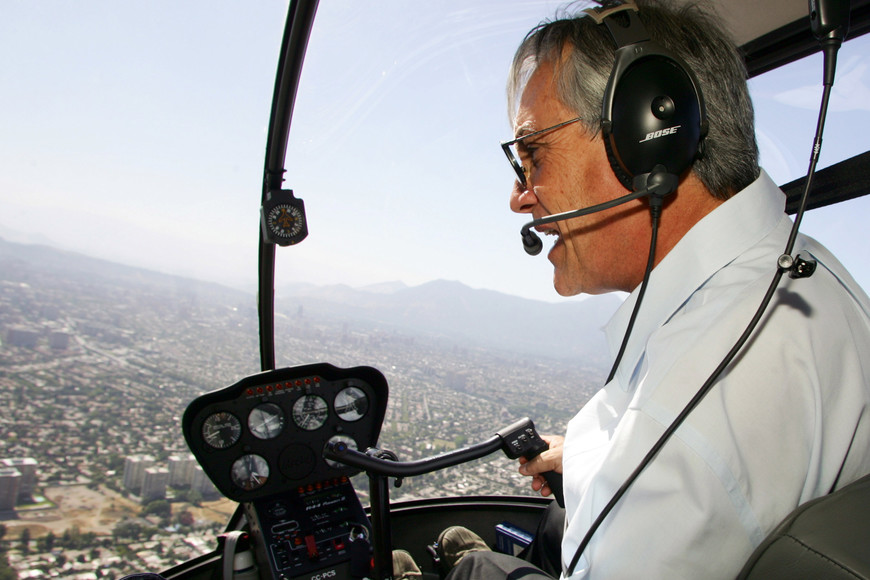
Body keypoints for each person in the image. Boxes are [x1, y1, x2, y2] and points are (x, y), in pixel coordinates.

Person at [393, 0, 870, 578]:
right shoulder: (802, 269)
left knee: (477, 574)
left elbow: (690, 454)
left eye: (532, 153)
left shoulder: (685, 429)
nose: (519, 195)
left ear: (648, 138)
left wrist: (636, 458)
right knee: (545, 531)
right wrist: (593, 455)